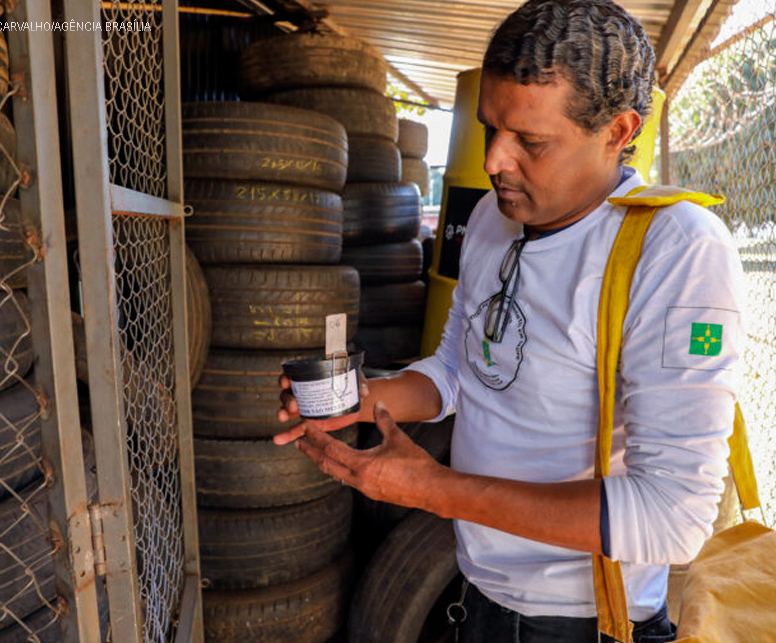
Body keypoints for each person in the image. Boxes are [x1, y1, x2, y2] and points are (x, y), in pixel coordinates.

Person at [275, 1, 745, 641]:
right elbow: (461, 368)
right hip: (477, 592)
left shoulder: (676, 248)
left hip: (584, 623)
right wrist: (368, 399)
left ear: (617, 131)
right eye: (489, 127)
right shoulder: (497, 220)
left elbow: (674, 517)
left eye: (530, 140)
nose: (495, 160)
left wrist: (435, 490)